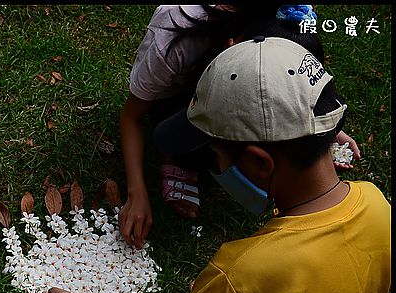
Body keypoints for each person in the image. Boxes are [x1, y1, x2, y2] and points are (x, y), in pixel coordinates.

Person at [37, 37, 390, 293]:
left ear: (259, 163)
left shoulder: (242, 272)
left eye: (217, 157)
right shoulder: (376, 203)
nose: (216, 168)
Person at [119, 4, 361, 250]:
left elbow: (297, 94)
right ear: (231, 46)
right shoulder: (173, 35)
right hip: (175, 97)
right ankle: (181, 160)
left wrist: (324, 129)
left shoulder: (288, 27)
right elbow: (132, 115)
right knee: (191, 149)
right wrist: (136, 191)